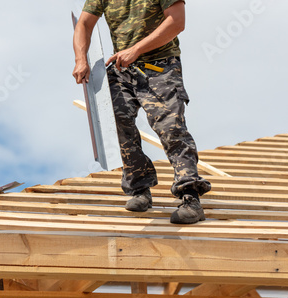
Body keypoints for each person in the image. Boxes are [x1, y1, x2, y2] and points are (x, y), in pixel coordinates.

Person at [72, 0, 211, 224]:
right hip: (122, 69)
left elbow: (176, 22)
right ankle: (140, 189)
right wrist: (81, 60)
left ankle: (190, 197)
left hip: (160, 66)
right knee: (118, 122)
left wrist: (136, 49)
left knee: (170, 127)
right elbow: (84, 25)